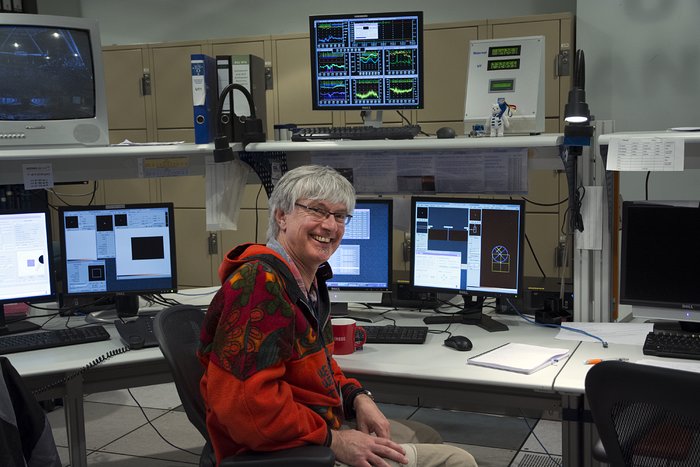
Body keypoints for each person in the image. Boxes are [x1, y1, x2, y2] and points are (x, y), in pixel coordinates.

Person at [198, 165, 477, 467]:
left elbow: (318, 367)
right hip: (282, 450)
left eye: (340, 216)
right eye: (317, 210)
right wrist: (335, 440)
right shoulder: (260, 286)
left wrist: (357, 397)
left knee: (424, 434)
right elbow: (245, 409)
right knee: (456, 460)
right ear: (282, 216)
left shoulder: (304, 282)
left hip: (312, 428)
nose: (330, 226)